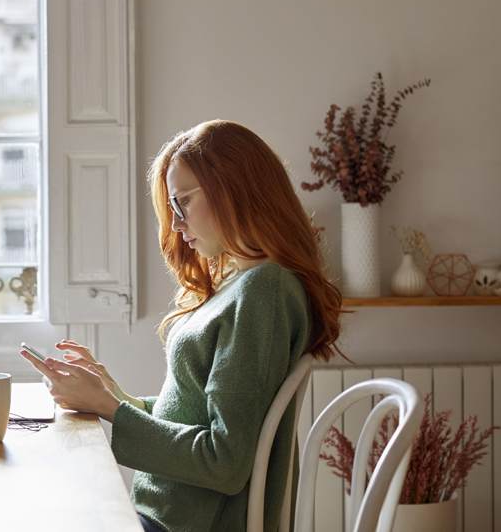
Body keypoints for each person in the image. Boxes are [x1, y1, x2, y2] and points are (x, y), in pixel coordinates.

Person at [21, 120, 346, 532]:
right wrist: (113, 394)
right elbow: (198, 416)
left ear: (233, 189)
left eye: (182, 202)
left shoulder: (265, 290)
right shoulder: (241, 283)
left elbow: (225, 462)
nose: (175, 224)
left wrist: (109, 408)